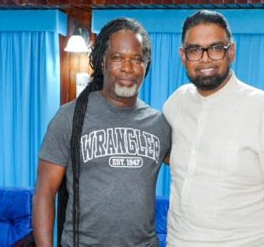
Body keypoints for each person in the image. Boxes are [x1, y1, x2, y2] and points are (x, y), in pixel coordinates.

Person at [163, 10, 264, 247]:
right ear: (183, 56)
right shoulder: (176, 103)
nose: (205, 58)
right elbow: (173, 155)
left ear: (232, 52)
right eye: (195, 49)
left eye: (216, 48)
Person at [32, 18, 171, 247]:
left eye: (137, 59)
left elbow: (195, 170)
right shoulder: (70, 118)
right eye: (118, 58)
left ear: (146, 67)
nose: (128, 68)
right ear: (103, 63)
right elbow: (45, 192)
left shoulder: (159, 124)